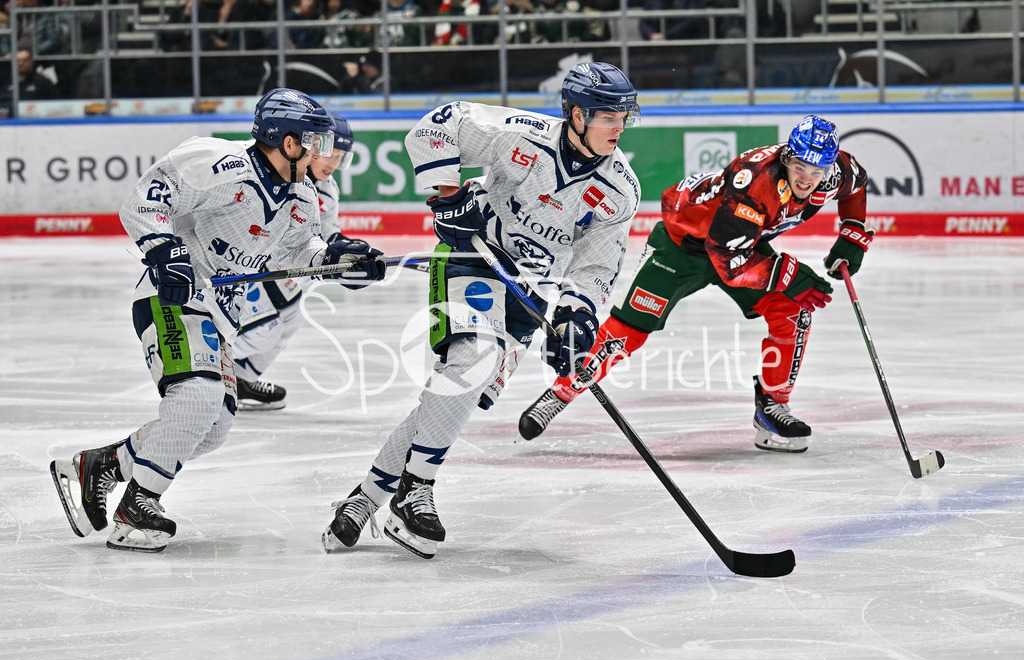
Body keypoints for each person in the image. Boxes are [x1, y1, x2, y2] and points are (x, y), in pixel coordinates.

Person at [322, 61, 642, 559]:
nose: (618, 128)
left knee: (456, 396)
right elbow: (436, 127)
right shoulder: (521, 134)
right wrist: (449, 197)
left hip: (531, 292)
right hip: (474, 257)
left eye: (624, 118)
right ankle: (414, 492)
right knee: (473, 360)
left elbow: (596, 265)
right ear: (577, 115)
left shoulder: (621, 189)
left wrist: (576, 315)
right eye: (608, 118)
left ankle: (365, 498)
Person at [49, 89, 386, 553]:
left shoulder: (302, 197)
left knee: (212, 427)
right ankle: (137, 506)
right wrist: (163, 249)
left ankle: (101, 465)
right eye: (315, 142)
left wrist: (337, 261)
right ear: (288, 142)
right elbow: (147, 199)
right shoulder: (222, 165)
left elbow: (297, 252)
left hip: (219, 317)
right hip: (171, 300)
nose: (321, 153)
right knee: (197, 398)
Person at [519, 115, 872, 454]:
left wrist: (853, 232)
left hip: (740, 244)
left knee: (792, 312)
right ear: (786, 158)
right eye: (799, 167)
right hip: (683, 246)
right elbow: (730, 262)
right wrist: (789, 275)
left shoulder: (836, 173)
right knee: (627, 331)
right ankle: (561, 392)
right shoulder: (755, 181)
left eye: (817, 171)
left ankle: (772, 406)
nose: (807, 179)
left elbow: (856, 185)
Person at [233, 112, 385, 410]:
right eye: (330, 153)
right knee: (264, 329)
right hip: (245, 259)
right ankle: (206, 372)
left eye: (341, 157)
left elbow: (327, 236)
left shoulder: (326, 189)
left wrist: (352, 253)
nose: (334, 163)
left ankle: (240, 380)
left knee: (291, 318)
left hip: (276, 263)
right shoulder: (272, 169)